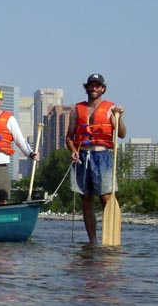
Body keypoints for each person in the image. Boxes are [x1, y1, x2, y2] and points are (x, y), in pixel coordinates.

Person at [65, 73, 126, 244]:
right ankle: (92, 240)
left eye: (97, 86)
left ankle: (111, 238)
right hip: (82, 156)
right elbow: (69, 137)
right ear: (87, 88)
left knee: (106, 197)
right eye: (91, 85)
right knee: (86, 199)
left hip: (102, 156)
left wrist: (119, 117)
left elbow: (121, 134)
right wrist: (72, 150)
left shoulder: (110, 108)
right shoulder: (77, 109)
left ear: (102, 89)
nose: (94, 88)